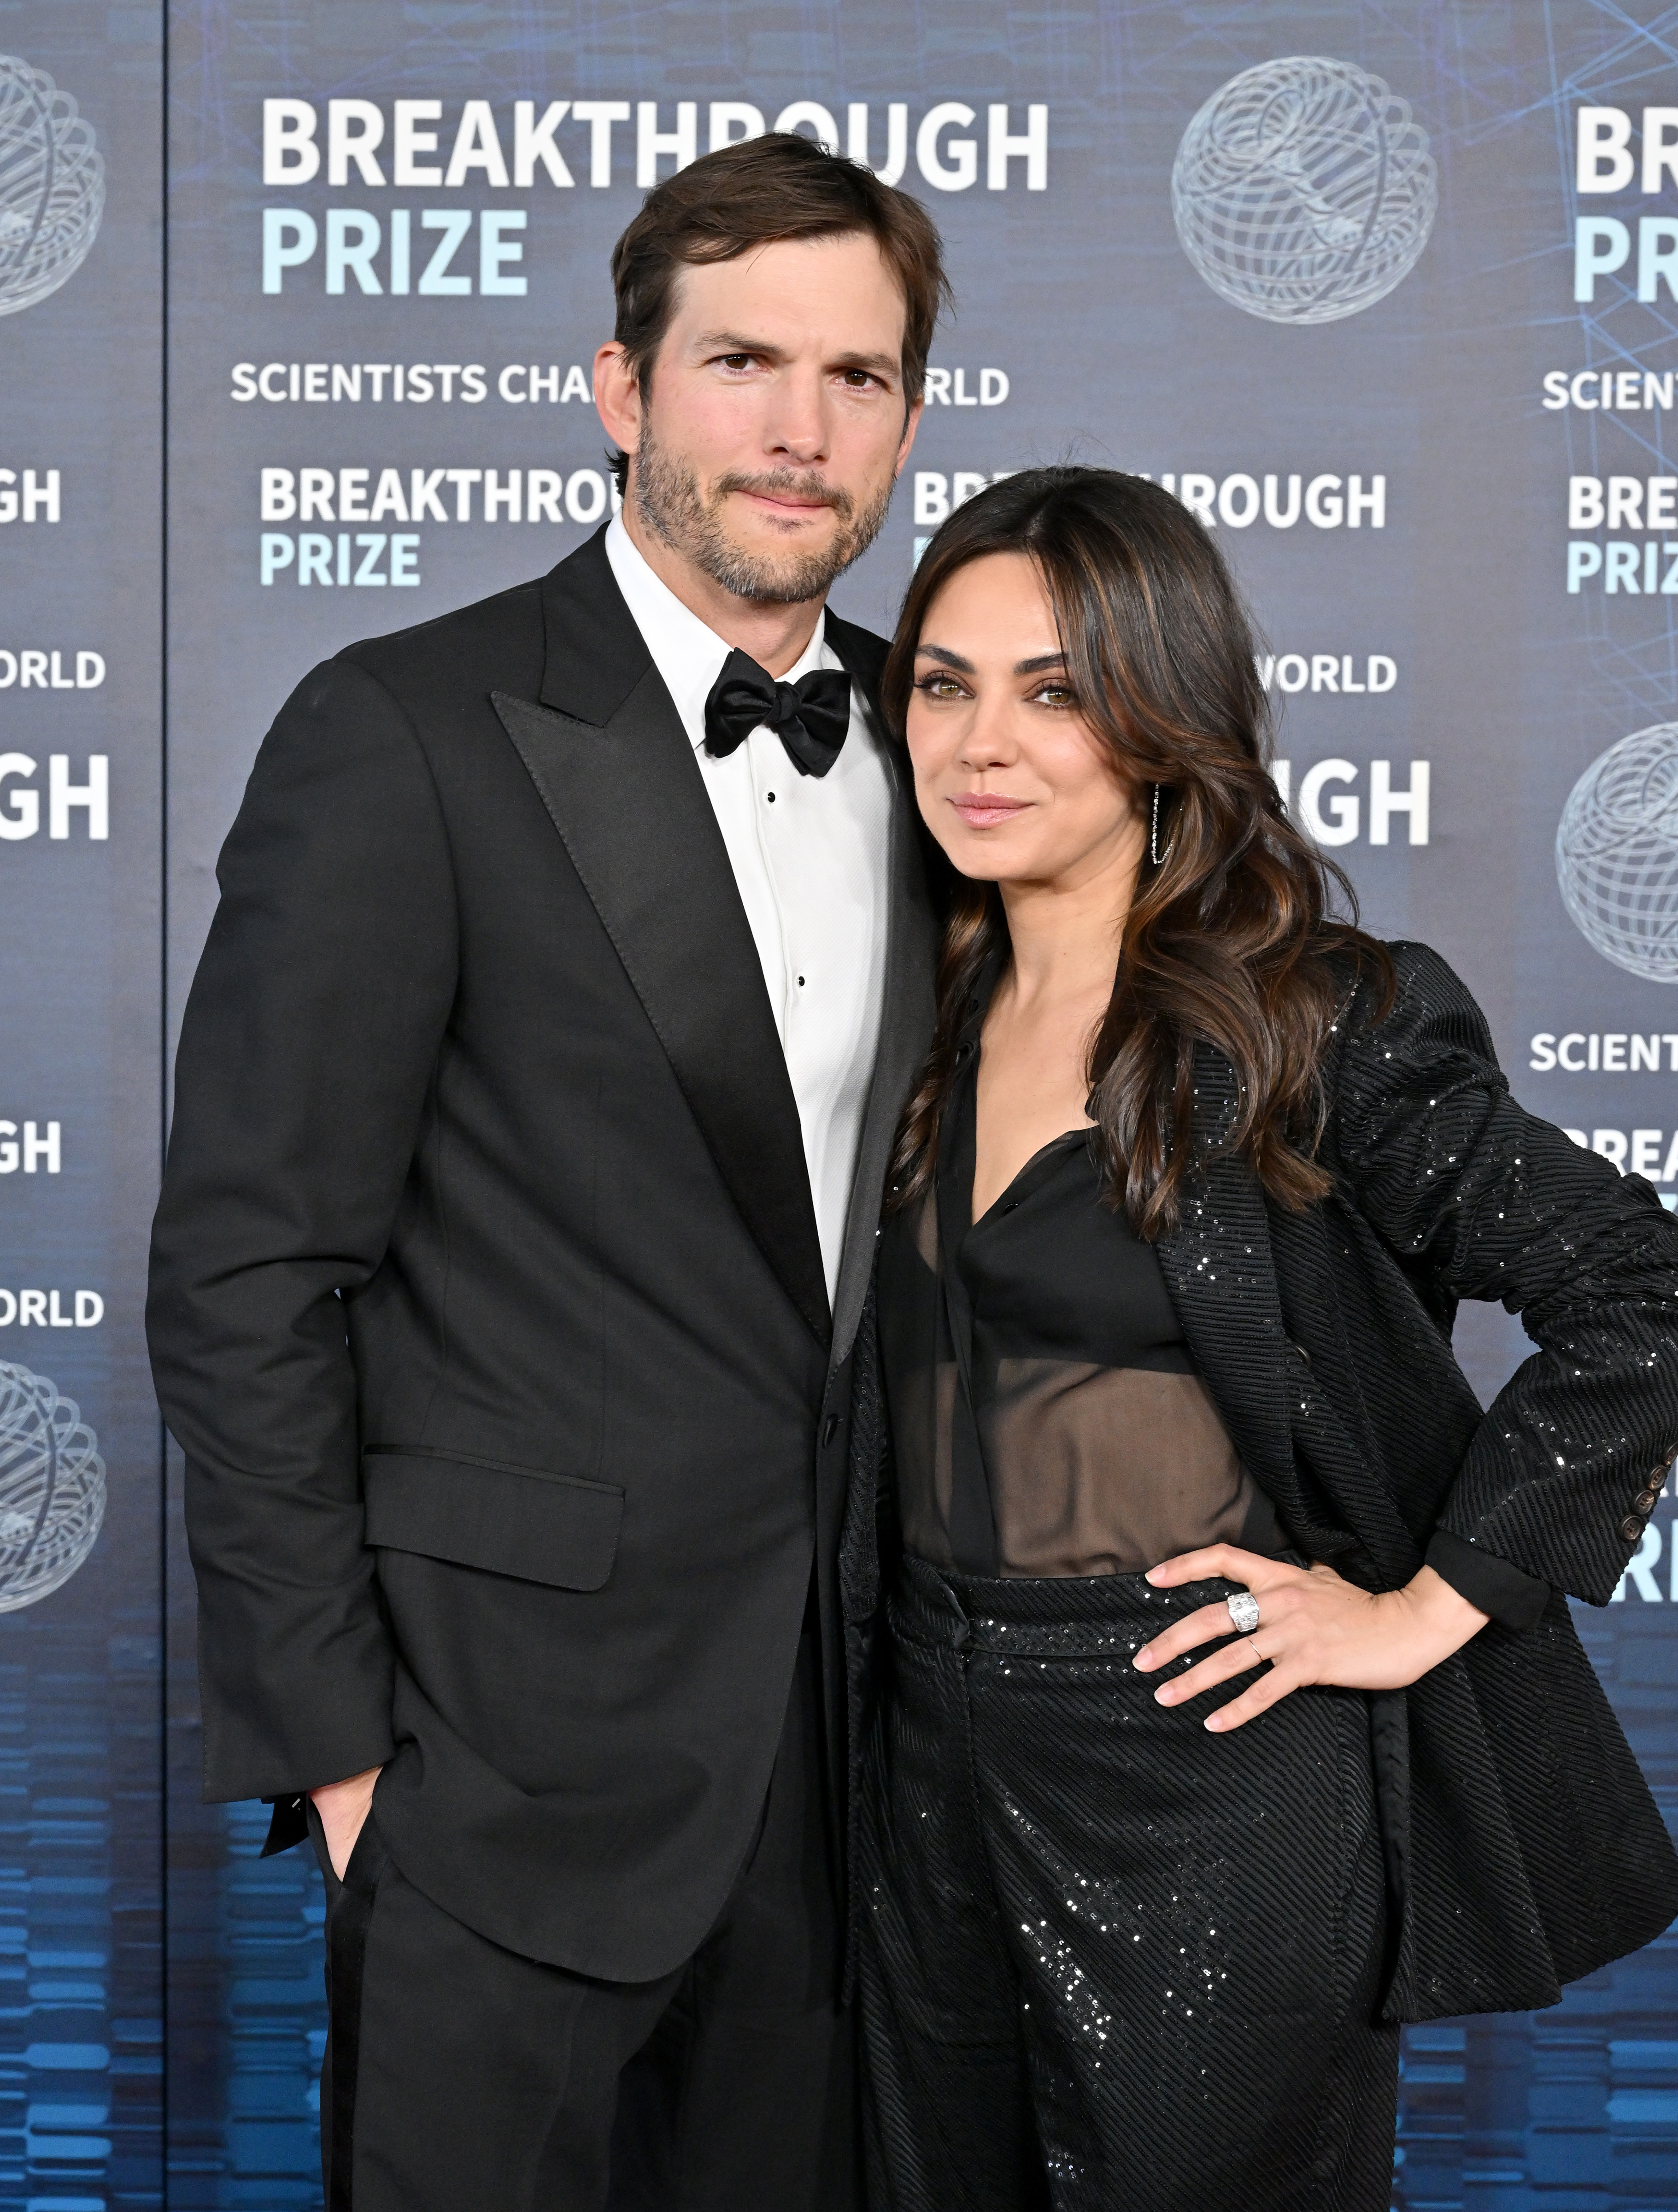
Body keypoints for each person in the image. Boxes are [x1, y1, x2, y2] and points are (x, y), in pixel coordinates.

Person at [147, 132, 948, 2212]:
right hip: (497, 1777)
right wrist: (344, 1767)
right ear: (621, 390)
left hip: (861, 1779)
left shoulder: (953, 756)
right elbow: (248, 1271)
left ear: (910, 418)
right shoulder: (401, 732)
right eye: (742, 363)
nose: (799, 429)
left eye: (856, 377)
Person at [844, 466, 1678, 2212]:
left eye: (1054, 689)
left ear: (1161, 721)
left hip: (1207, 1768)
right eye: (943, 681)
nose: (979, 742)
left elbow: (1644, 1291)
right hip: (918, 1755)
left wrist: (1415, 1614)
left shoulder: (1307, 1017)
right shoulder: (908, 1006)